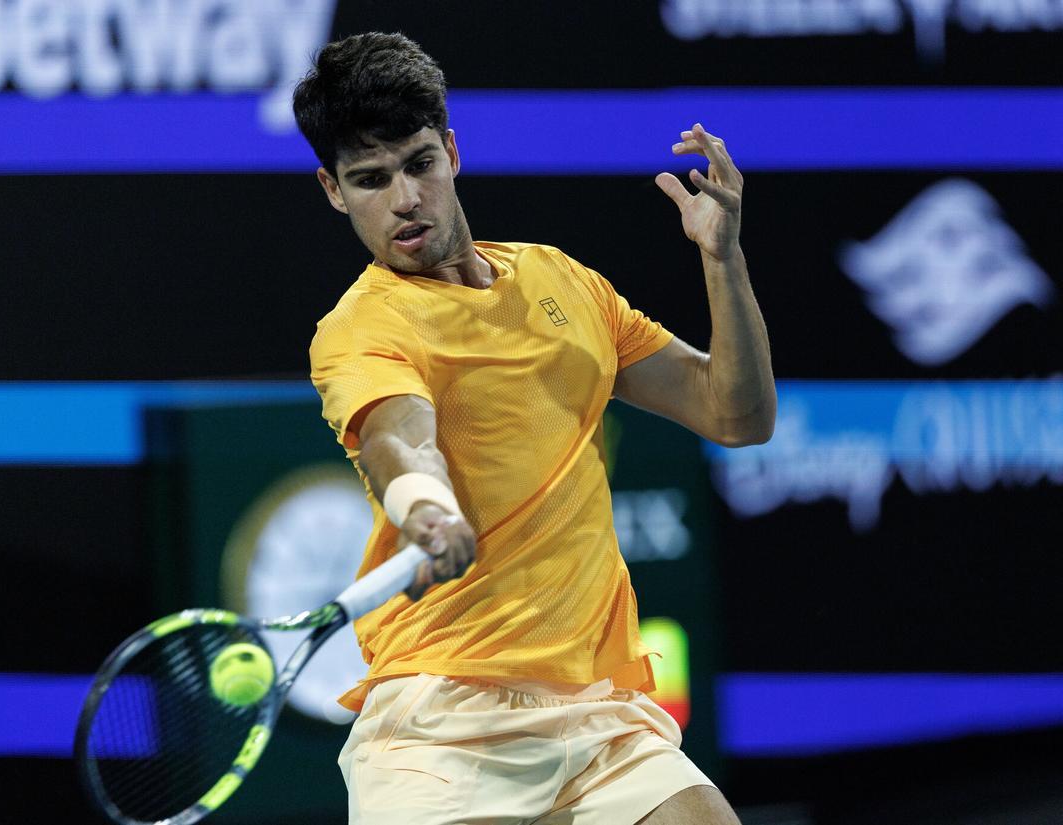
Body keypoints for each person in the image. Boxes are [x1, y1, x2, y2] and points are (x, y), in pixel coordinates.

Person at [294, 32, 775, 825]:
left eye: (419, 164)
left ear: (451, 151)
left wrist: (723, 263)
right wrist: (425, 506)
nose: (405, 199)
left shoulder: (562, 282)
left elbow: (738, 414)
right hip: (442, 723)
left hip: (598, 715)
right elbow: (398, 438)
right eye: (370, 180)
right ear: (334, 190)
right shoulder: (360, 329)